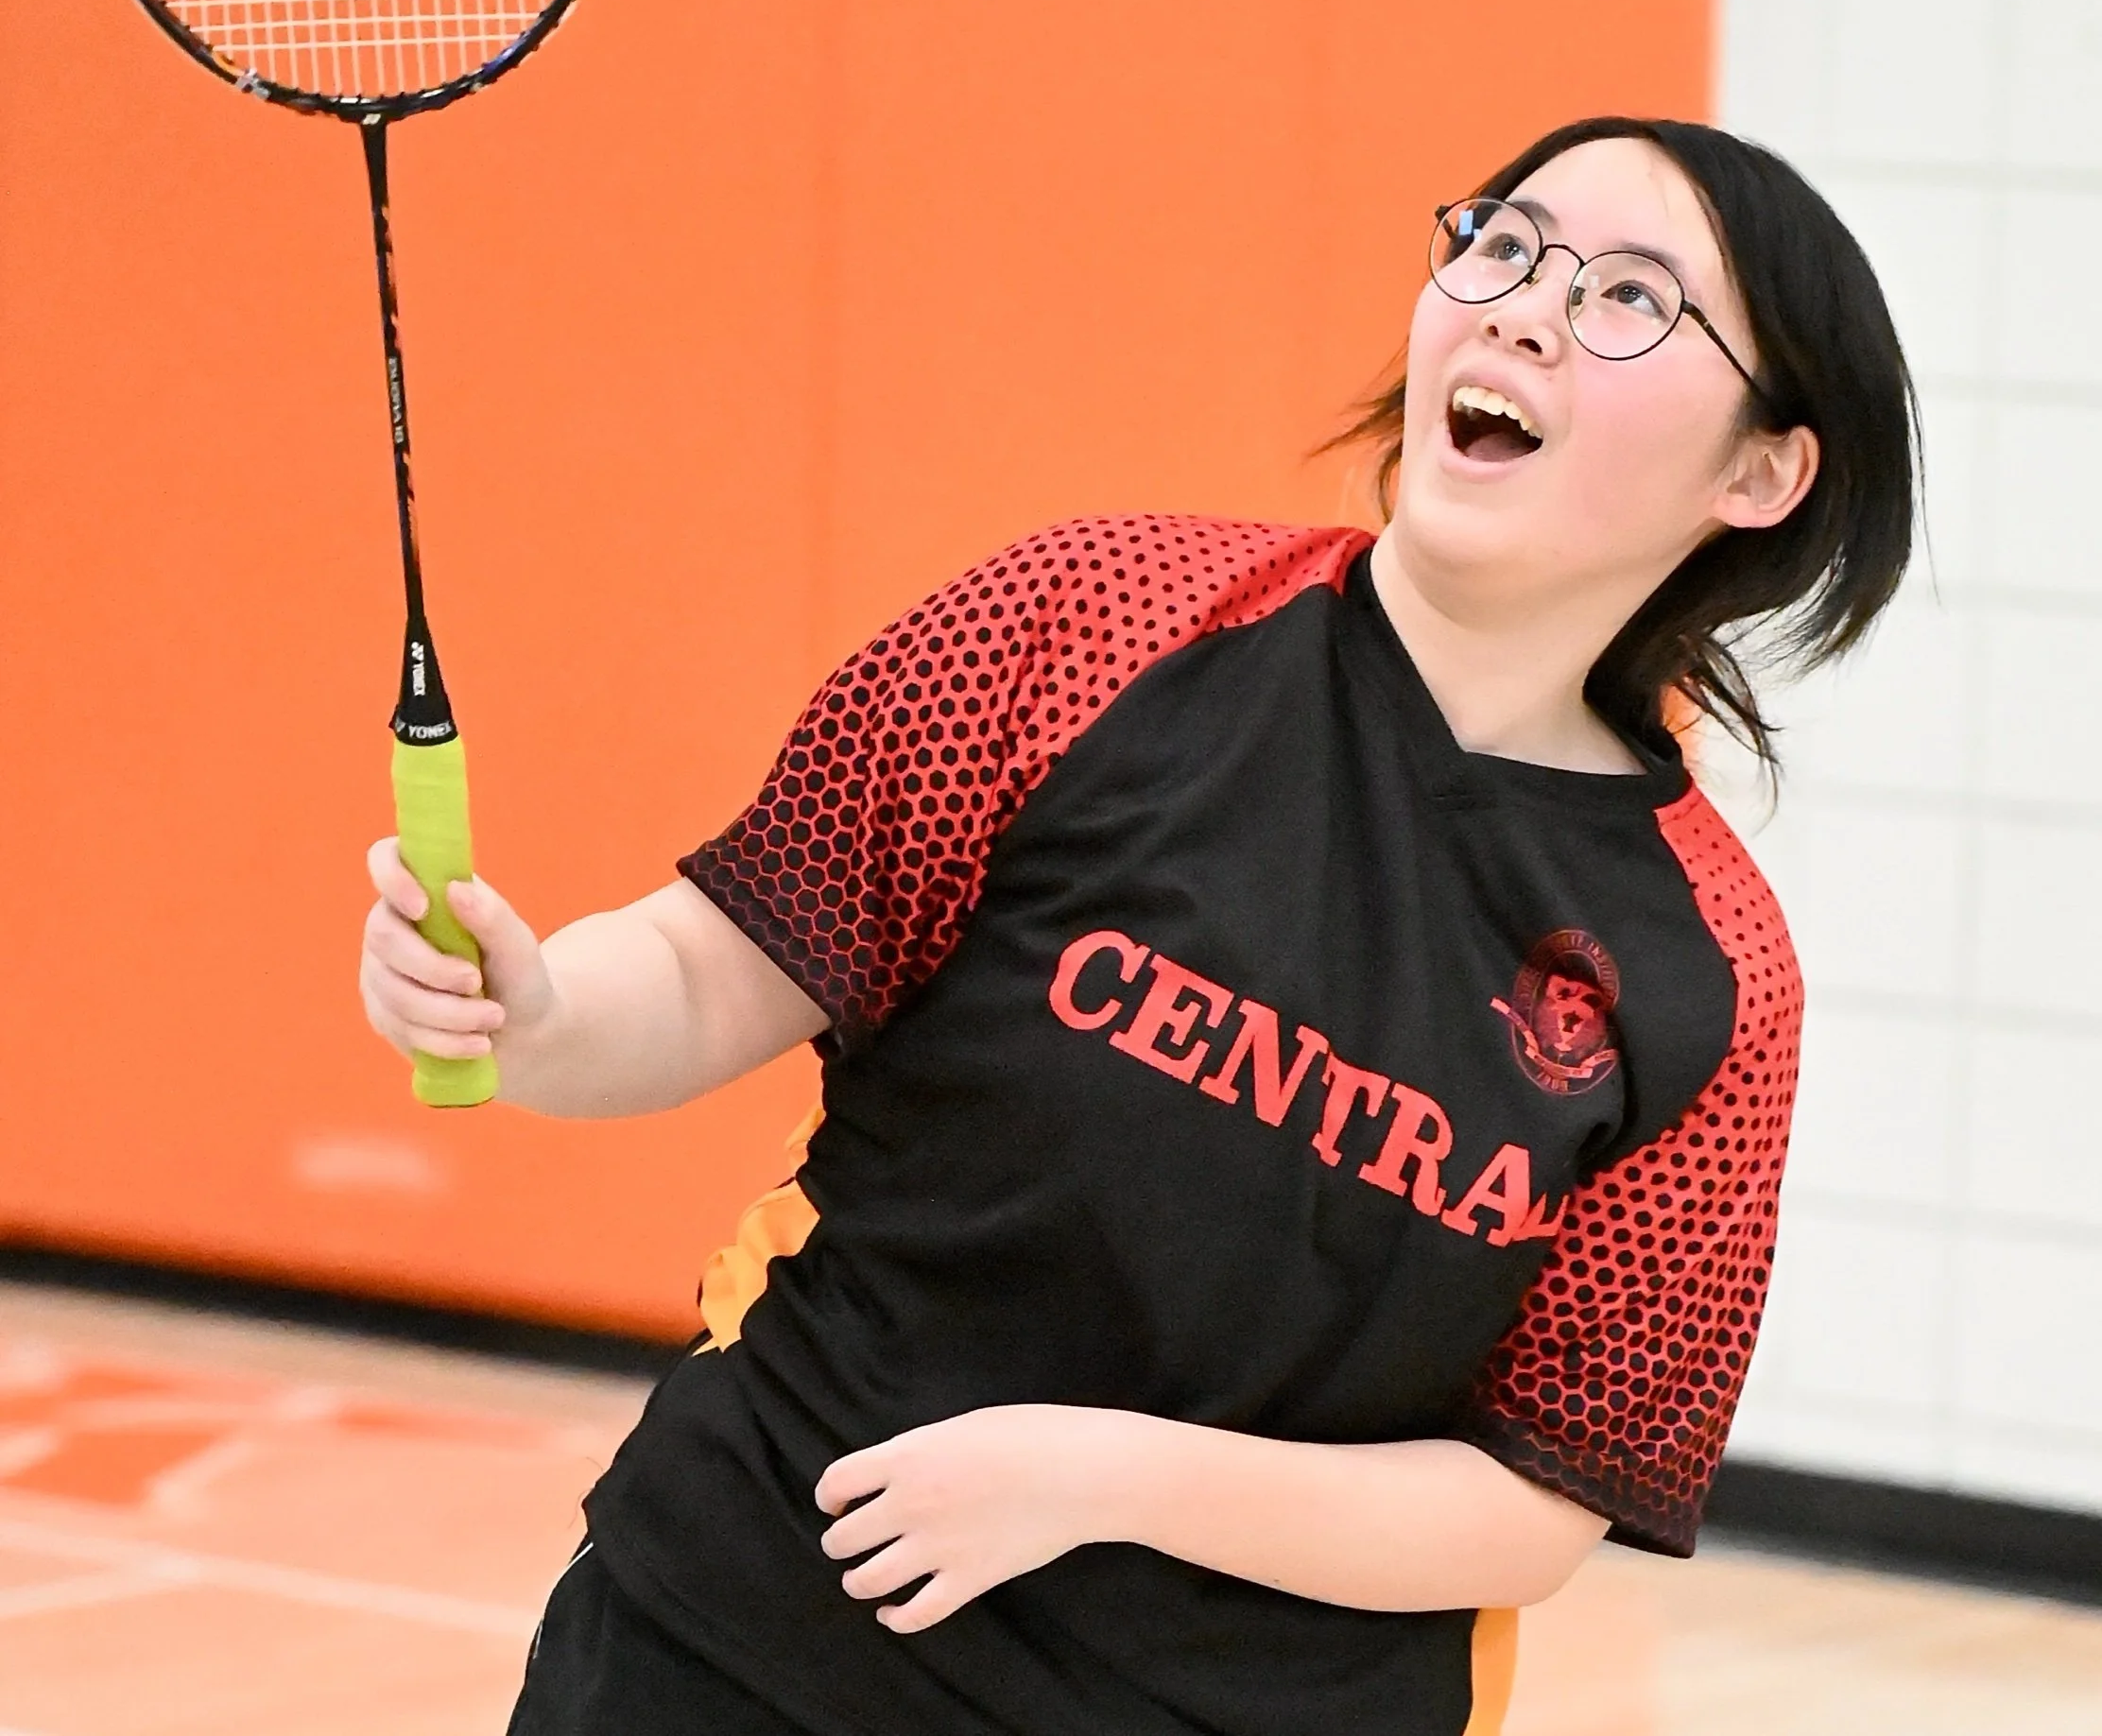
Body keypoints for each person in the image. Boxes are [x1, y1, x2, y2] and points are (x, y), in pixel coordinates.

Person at [357, 116, 1918, 1736]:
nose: (1522, 306)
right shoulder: (1090, 620)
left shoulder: (1710, 973)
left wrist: (1107, 1480)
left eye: (1629, 298)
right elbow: (706, 965)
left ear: (1762, 470)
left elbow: (1535, 1500)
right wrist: (533, 1016)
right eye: (1503, 244)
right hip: (739, 1642)